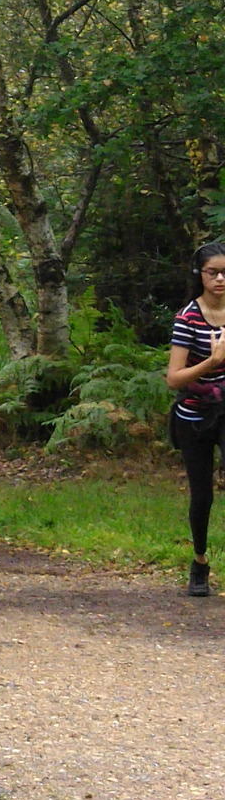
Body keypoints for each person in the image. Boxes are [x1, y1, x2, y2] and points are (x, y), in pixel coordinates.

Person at [166, 242, 225, 597]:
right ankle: (200, 562)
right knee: (202, 495)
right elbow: (174, 378)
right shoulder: (188, 317)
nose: (220, 279)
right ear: (199, 275)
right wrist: (212, 362)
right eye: (213, 273)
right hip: (194, 416)